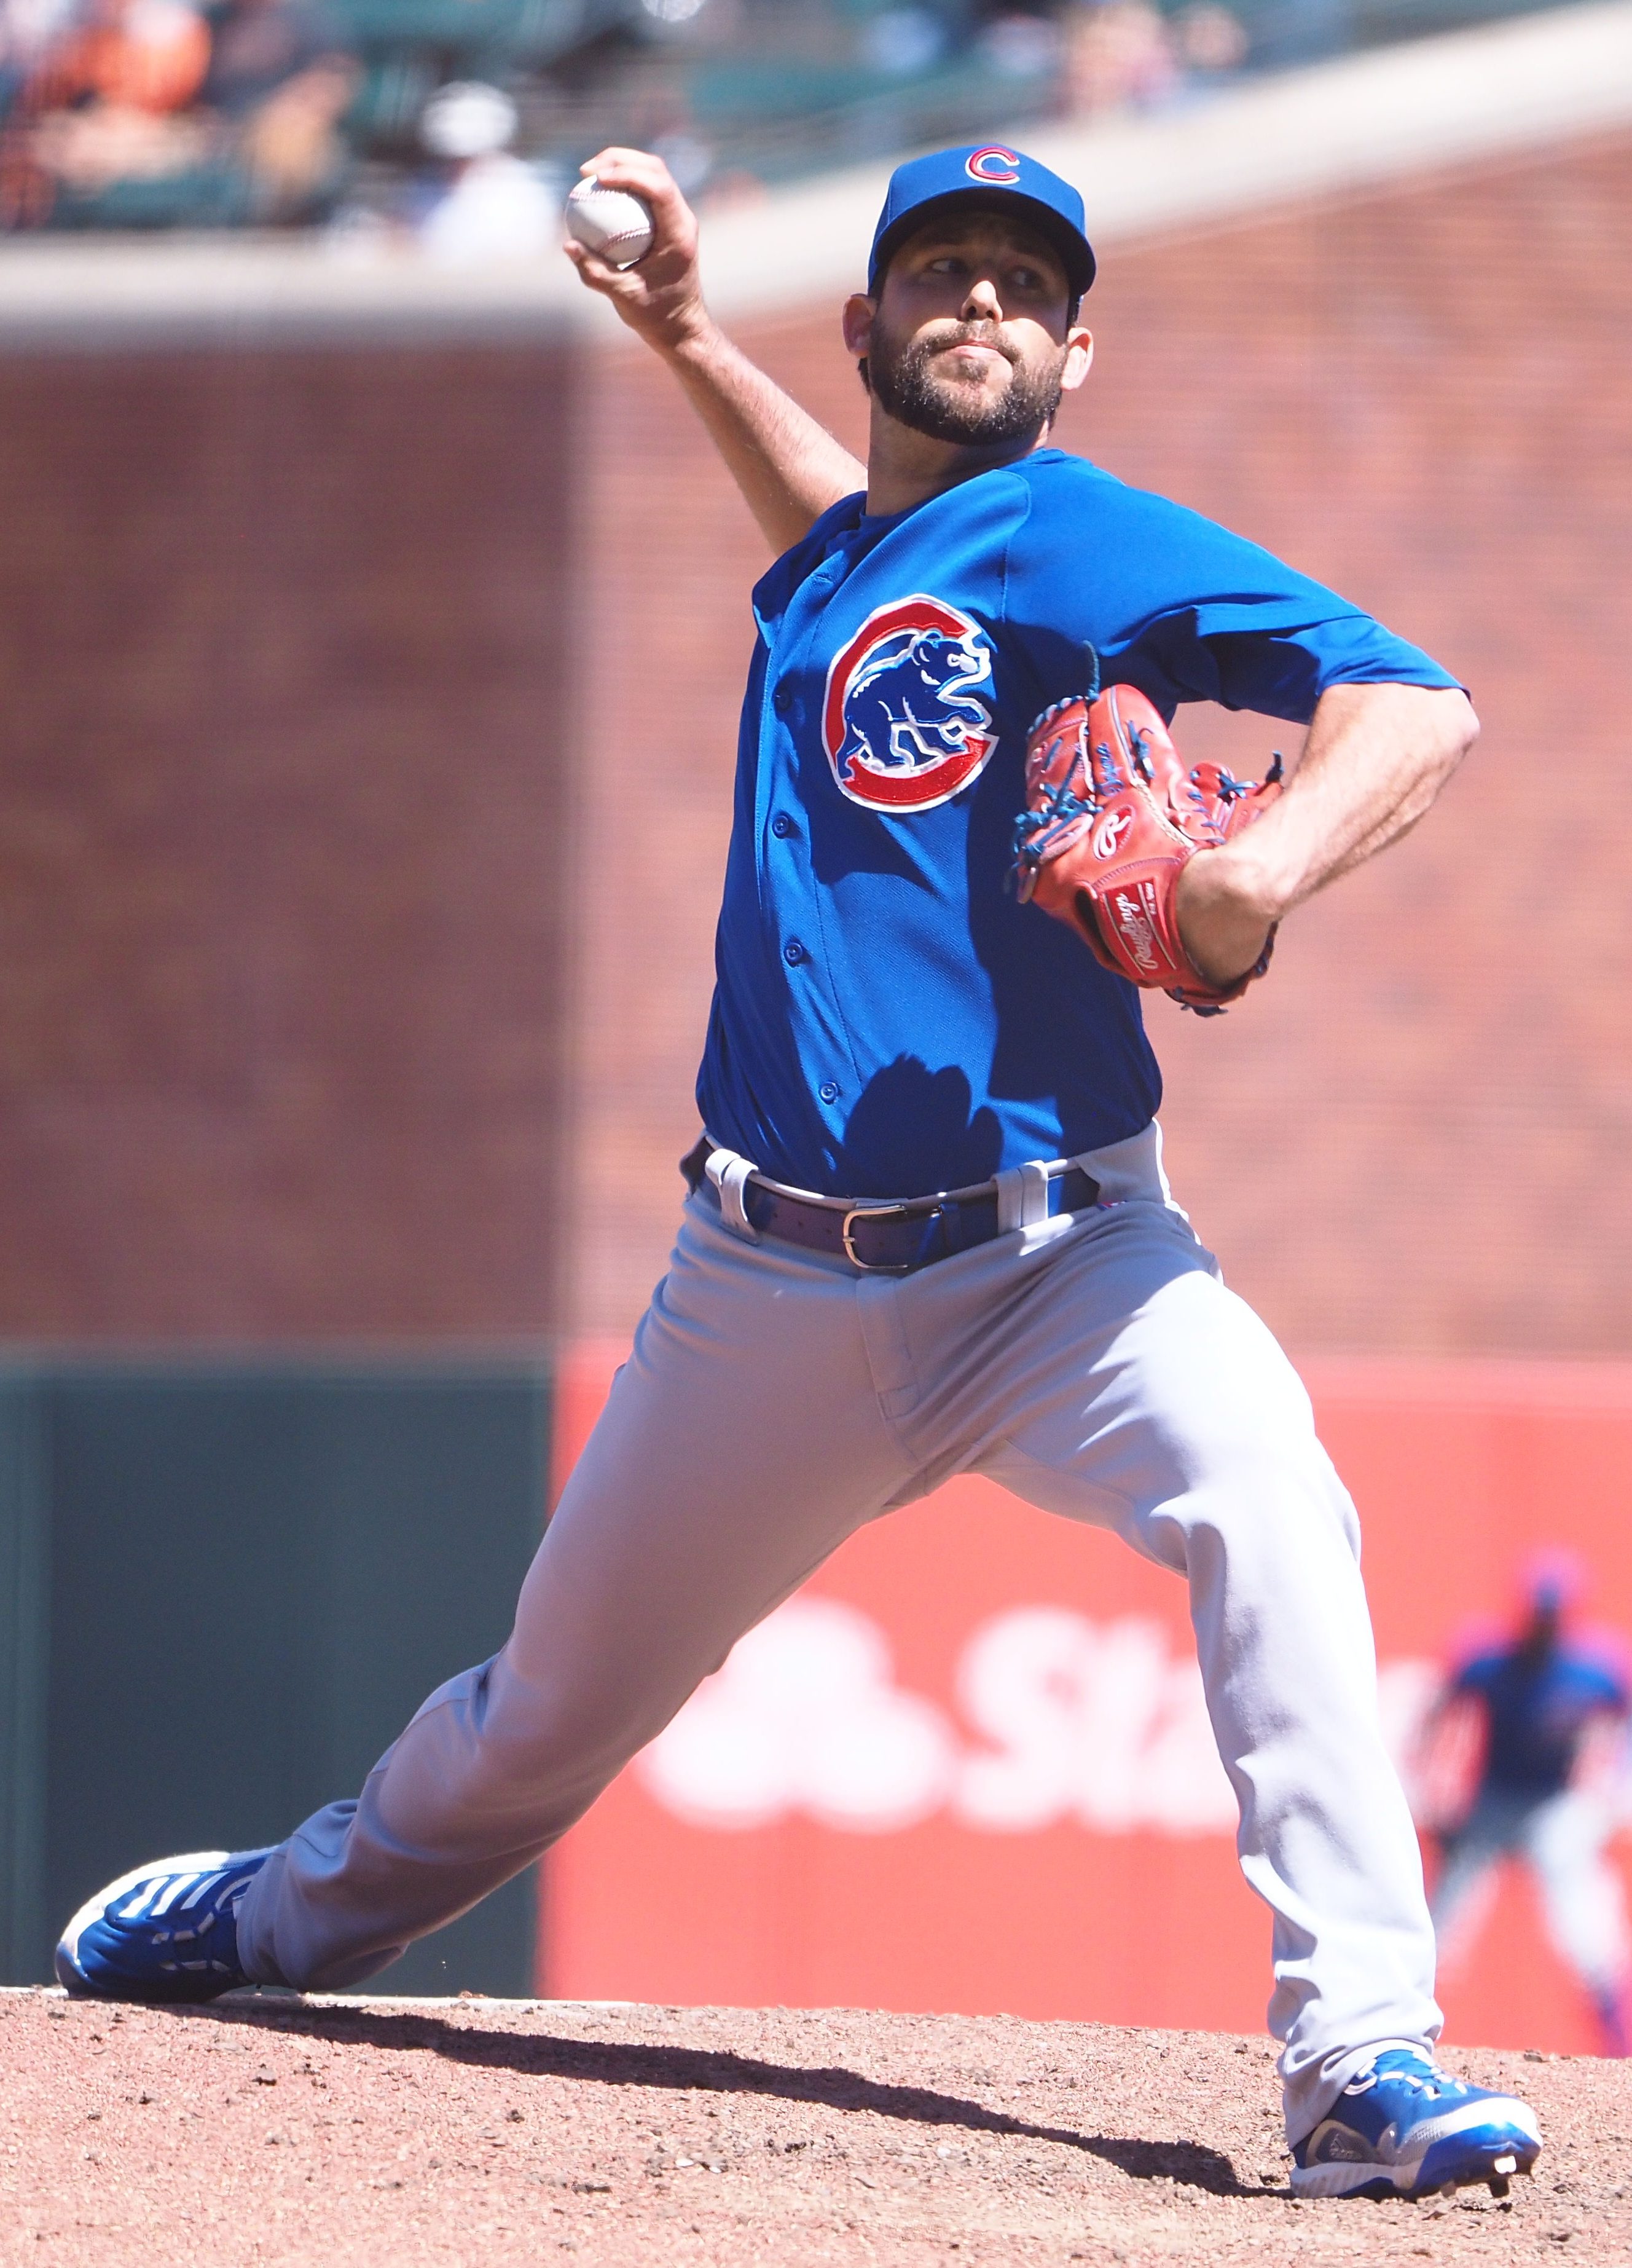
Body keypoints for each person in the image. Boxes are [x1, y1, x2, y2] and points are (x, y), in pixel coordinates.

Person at [55, 138, 1542, 2203]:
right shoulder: (866, 555)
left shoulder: (1069, 539)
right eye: (938, 269)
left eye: (1023, 285)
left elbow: (1418, 703)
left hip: (1063, 1271)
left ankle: (1358, 2056)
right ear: (860, 325)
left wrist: (1239, 876)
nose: (978, 304)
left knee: (1273, 1506)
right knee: (536, 1721)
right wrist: (677, 335)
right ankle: (286, 1923)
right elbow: (837, 551)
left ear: (1076, 348)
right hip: (759, 1284)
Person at [1426, 1559, 1632, 2055]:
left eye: (1553, 1613)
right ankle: (1402, 2034)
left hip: (1555, 1805)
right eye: (1541, 1612)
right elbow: (1438, 1718)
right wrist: (1434, 1792)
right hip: (1494, 1799)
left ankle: (1619, 2044)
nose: (1546, 1622)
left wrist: (1613, 1793)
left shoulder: (1594, 1669)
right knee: (1440, 1925)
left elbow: (1623, 1723)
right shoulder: (1489, 1662)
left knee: (1585, 1923)